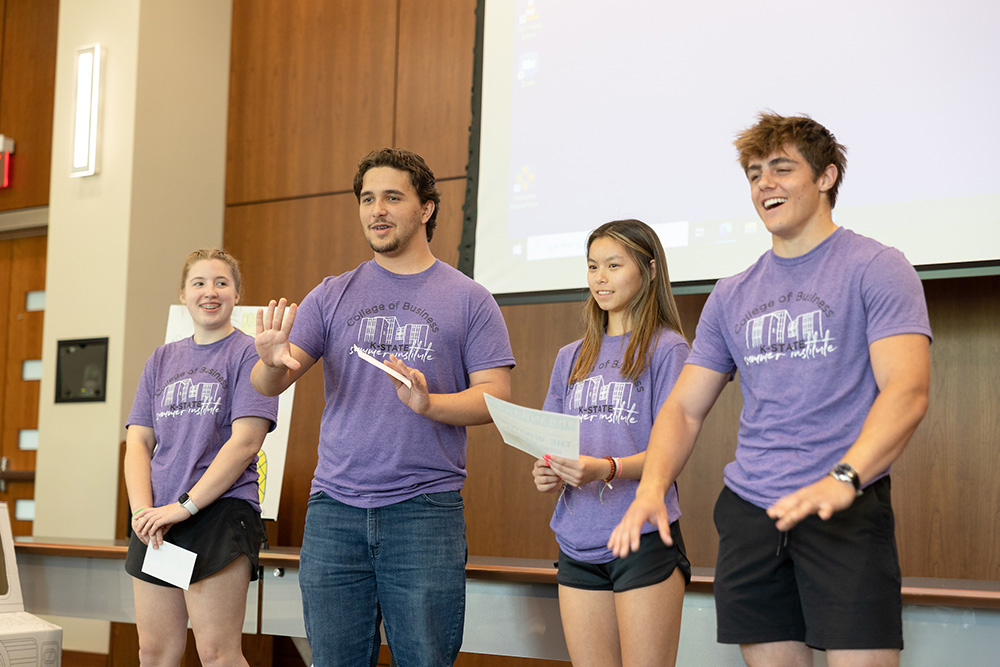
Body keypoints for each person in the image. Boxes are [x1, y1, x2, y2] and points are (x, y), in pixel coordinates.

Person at [608, 113, 932, 667]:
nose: (765, 185)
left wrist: (844, 479)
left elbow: (907, 390)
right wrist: (650, 488)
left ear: (827, 177)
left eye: (782, 169)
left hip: (844, 506)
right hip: (751, 512)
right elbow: (684, 409)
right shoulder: (732, 292)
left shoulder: (876, 267)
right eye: (755, 174)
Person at [251, 148, 515, 666]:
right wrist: (269, 360)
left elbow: (496, 396)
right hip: (333, 512)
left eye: (392, 197)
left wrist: (429, 403)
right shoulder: (332, 294)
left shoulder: (469, 298)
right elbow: (270, 383)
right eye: (368, 199)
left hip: (423, 511)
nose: (377, 210)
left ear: (427, 209)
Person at [533, 219, 692, 666]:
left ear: (649, 270)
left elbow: (671, 452)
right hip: (576, 542)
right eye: (592, 266)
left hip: (641, 539)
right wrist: (547, 470)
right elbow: (551, 442)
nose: (600, 278)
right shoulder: (571, 356)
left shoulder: (668, 349)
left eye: (613, 265)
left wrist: (605, 467)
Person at [124, 248, 278, 666]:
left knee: (217, 654)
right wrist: (143, 511)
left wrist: (184, 506)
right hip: (158, 523)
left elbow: (246, 441)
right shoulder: (161, 359)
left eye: (221, 283)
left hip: (217, 515)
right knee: (155, 653)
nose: (210, 292)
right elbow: (138, 442)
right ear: (183, 294)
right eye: (199, 283)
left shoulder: (249, 354)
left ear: (237, 294)